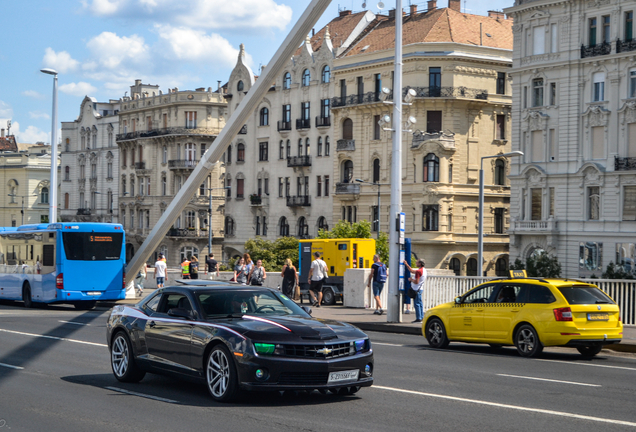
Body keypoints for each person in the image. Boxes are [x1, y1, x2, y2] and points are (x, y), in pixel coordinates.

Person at [403, 258, 427, 323]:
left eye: (417, 262)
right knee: (420, 303)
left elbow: (416, 281)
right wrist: (406, 264)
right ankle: (421, 317)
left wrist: (411, 280)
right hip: (420, 288)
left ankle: (418, 318)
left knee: (417, 304)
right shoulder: (423, 270)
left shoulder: (419, 272)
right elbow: (412, 271)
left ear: (420, 263)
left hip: (416, 289)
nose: (416, 263)